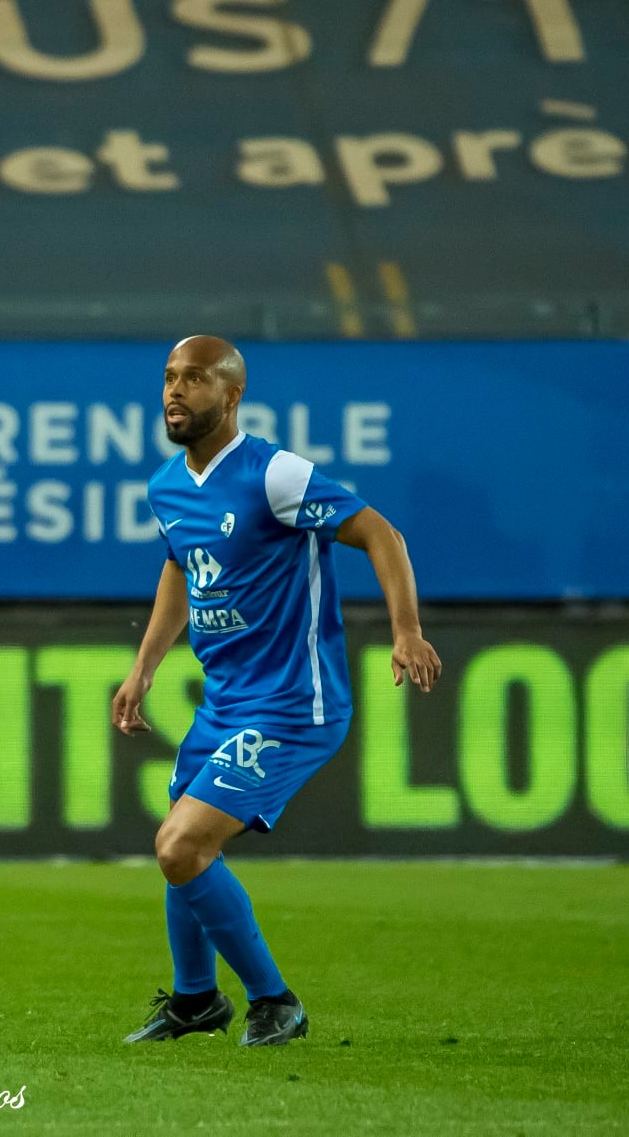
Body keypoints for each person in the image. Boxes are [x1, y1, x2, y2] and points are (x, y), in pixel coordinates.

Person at [113, 336, 440, 1046]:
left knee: (179, 845)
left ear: (232, 394)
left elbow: (381, 533)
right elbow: (181, 568)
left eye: (194, 378)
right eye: (168, 377)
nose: (174, 390)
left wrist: (406, 630)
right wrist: (144, 669)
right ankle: (196, 1000)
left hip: (293, 703)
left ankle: (275, 1002)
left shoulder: (275, 474)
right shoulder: (167, 485)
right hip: (224, 702)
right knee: (183, 850)